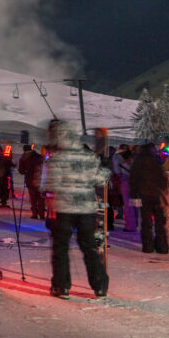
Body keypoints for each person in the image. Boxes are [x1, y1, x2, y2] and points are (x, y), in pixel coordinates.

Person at [40, 120, 110, 299]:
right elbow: (101, 179)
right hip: (86, 208)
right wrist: (104, 168)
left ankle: (61, 286)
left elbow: (49, 185)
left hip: (63, 208)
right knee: (89, 247)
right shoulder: (89, 157)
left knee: (61, 248)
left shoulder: (56, 159)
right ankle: (100, 286)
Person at [130, 142, 169, 254]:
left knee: (146, 221)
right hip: (156, 194)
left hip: (144, 195)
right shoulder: (156, 161)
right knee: (160, 221)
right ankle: (162, 246)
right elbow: (163, 178)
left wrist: (133, 195)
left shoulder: (138, 162)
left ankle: (148, 246)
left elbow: (133, 180)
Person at [111, 145, 136, 232]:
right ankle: (139, 224)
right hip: (135, 182)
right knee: (136, 204)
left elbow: (117, 171)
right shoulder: (134, 158)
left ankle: (130, 225)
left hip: (125, 181)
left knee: (128, 204)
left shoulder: (117, 157)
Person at [18, 144, 45, 219]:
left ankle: (34, 214)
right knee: (41, 198)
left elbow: (21, 171)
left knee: (33, 198)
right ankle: (42, 214)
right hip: (40, 180)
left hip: (30, 180)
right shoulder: (38, 156)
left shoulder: (23, 158)